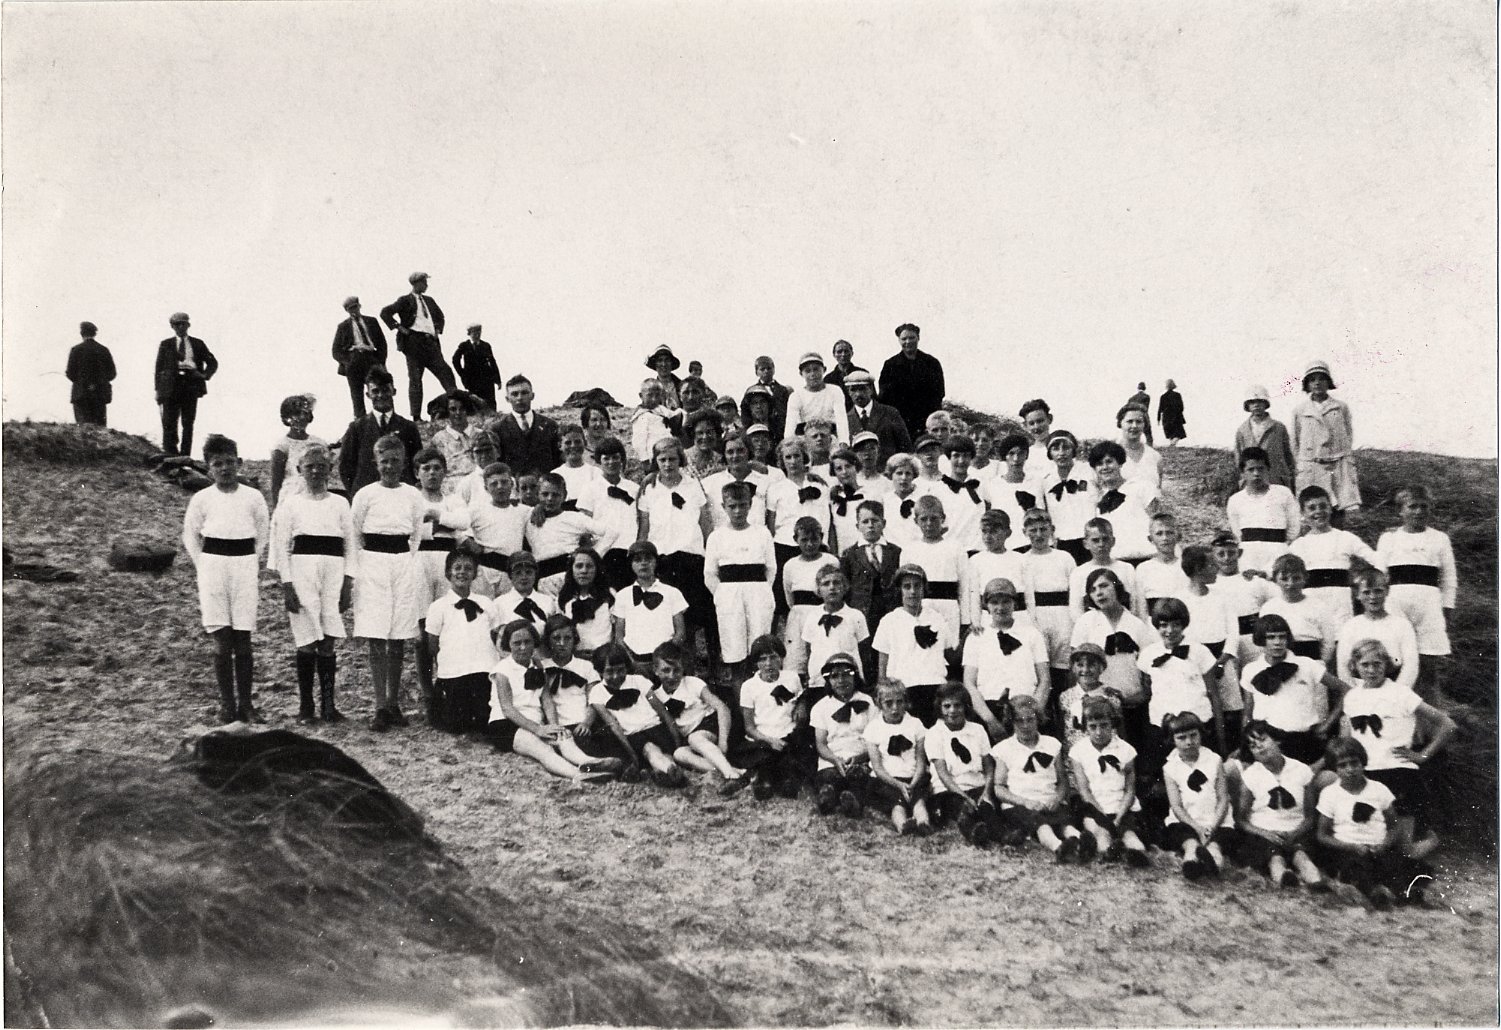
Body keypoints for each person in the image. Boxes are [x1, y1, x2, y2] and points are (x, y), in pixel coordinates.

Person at [1339, 638, 1456, 864]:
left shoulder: (1401, 693)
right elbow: (1347, 741)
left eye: (1377, 664)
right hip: (1365, 775)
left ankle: (1435, 839)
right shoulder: (1352, 697)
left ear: (1386, 664)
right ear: (1355, 666)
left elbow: (1447, 725)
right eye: (1365, 665)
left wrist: (1422, 755)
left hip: (1399, 774)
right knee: (1374, 847)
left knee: (1405, 853)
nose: (1371, 670)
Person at [183, 434, 269, 724]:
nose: (225, 468)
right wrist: (203, 565)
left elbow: (262, 532)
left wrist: (251, 560)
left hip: (244, 565)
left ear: (239, 462)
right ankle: (226, 705)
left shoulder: (253, 497)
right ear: (209, 468)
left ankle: (246, 704)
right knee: (221, 639)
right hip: (213, 567)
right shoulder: (202, 499)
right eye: (218, 464)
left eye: (230, 462)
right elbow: (190, 536)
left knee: (243, 637)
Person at [269, 442, 353, 723]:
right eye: (310, 466)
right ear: (299, 469)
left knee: (328, 639)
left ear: (330, 469)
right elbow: (282, 548)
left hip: (333, 572)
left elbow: (350, 546)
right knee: (306, 639)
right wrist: (287, 585)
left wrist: (347, 584)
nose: (316, 471)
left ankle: (329, 705)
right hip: (302, 571)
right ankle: (306, 707)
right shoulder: (291, 504)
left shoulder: (340, 503)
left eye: (321, 466)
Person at [350, 433, 427, 730]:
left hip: (402, 563)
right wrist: (365, 565)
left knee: (398, 636)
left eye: (395, 461)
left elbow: (416, 535)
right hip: (372, 564)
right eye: (384, 461)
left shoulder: (412, 495)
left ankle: (394, 703)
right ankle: (380, 705)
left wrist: (404, 560)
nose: (390, 466)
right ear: (376, 462)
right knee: (377, 636)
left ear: (404, 462)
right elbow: (355, 534)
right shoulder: (365, 495)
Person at [489, 621, 616, 783]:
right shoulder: (502, 670)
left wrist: (555, 726)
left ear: (535, 643)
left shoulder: (537, 666)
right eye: (517, 643)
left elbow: (547, 699)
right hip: (506, 725)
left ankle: (590, 762)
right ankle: (577, 775)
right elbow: (507, 709)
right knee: (541, 748)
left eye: (527, 642)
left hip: (534, 723)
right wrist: (538, 729)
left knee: (564, 738)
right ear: (508, 644)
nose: (523, 647)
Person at [989, 695, 1092, 863]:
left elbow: (1062, 781)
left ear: (1038, 719)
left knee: (1065, 824)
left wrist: (1057, 798)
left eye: (1030, 719)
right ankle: (1059, 847)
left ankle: (1081, 842)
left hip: (1048, 800)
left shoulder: (1051, 744)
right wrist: (1024, 802)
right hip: (1019, 805)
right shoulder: (1004, 749)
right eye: (1019, 721)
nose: (1025, 725)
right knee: (1041, 825)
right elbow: (999, 787)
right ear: (1011, 722)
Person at [1314, 737, 1413, 909]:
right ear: (1335, 769)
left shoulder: (1379, 789)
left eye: (1354, 763)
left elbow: (1395, 826)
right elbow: (1322, 835)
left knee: (1396, 866)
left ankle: (1395, 892)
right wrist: (1351, 846)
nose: (1350, 769)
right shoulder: (1330, 794)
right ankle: (1375, 894)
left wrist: (1384, 844)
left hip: (1378, 847)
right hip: (1348, 849)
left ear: (1363, 763)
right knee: (1355, 869)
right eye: (1342, 765)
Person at [1376, 485, 1458, 690]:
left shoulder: (1440, 538)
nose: (1419, 511)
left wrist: (1447, 609)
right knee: (1396, 662)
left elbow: (1449, 578)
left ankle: (1429, 709)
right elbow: (1379, 575)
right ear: (1400, 510)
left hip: (1429, 607)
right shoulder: (1389, 538)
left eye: (1424, 506)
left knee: (1428, 667)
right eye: (1412, 506)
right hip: (1396, 605)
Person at [1069, 568, 1159, 750]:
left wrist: (1139, 697)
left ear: (1117, 587)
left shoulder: (1136, 625)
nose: (1099, 593)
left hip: (1132, 705)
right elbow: (1075, 667)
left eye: (1104, 586)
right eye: (1093, 590)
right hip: (1097, 708)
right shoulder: (1085, 623)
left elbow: (1150, 670)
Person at [1229, 721, 1326, 890]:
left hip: (1297, 831)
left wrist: (1295, 833)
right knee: (1274, 858)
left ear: (1277, 740)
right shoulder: (1251, 776)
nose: (1259, 747)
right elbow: (1241, 820)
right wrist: (1266, 833)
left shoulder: (1301, 770)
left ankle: (1315, 881)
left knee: (1301, 856)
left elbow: (1310, 817)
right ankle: (1284, 878)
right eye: (1253, 745)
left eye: (1262, 740)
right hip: (1264, 833)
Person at [1241, 614, 1346, 766]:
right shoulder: (1250, 669)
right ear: (1261, 639)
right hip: (1265, 742)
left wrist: (1328, 724)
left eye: (1282, 637)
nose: (1277, 642)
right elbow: (1248, 713)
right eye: (1271, 637)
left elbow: (1345, 690)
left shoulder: (1307, 665)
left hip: (1301, 742)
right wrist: (1245, 743)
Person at [703, 480, 777, 685]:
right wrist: (722, 595)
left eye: (742, 505)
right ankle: (740, 702)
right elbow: (710, 574)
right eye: (732, 506)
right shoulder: (717, 536)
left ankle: (761, 695)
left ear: (750, 504)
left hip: (757, 593)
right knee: (734, 650)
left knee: (759, 646)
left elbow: (771, 568)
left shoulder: (762, 533)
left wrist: (762, 590)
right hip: (729, 596)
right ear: (723, 507)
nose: (737, 511)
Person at [650, 642, 747, 793]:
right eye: (666, 670)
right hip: (693, 739)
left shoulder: (692, 683)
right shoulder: (656, 696)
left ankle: (731, 775)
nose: (672, 676)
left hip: (711, 725)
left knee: (695, 738)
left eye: (677, 670)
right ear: (655, 670)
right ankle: (735, 771)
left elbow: (721, 708)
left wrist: (723, 741)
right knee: (679, 754)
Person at [961, 577, 1049, 741]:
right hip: (989, 709)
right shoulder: (976, 638)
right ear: (986, 605)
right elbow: (969, 683)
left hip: (1026, 709)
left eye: (1006, 601)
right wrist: (990, 720)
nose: (1000, 607)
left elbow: (1044, 680)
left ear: (1015, 603)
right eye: (994, 602)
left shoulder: (1031, 634)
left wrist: (1032, 714)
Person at [1068, 697, 1151, 866]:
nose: (1099, 732)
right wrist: (1102, 815)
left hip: (1121, 807)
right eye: (1093, 726)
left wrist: (1119, 817)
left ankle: (1132, 853)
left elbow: (1129, 790)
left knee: (1132, 839)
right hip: (1094, 807)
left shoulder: (1126, 750)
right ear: (1085, 727)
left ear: (1112, 724)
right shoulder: (1078, 751)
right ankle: (1112, 851)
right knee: (1101, 836)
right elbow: (1084, 790)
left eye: (1104, 725)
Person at [423, 549, 498, 733]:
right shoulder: (438, 607)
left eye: (468, 568)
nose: (462, 572)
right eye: (457, 568)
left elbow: (496, 636)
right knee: (456, 725)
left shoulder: (486, 603)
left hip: (483, 672)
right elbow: (432, 645)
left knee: (485, 722)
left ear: (475, 573)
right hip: (454, 674)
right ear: (448, 573)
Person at [872, 564, 956, 726]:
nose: (912, 591)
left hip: (935, 686)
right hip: (904, 690)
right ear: (900, 590)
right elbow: (882, 668)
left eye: (917, 586)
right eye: (907, 586)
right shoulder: (889, 621)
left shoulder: (936, 617)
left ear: (924, 588)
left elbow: (951, 656)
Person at [925, 683, 1006, 847]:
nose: (952, 710)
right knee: (961, 807)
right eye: (947, 706)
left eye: (958, 705)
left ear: (966, 707)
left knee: (986, 807)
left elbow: (988, 765)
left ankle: (1003, 835)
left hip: (977, 786)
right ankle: (974, 832)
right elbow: (943, 774)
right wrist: (964, 796)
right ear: (940, 708)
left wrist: (987, 791)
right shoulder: (934, 733)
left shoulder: (978, 730)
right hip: (949, 790)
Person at [1288, 485, 1381, 627]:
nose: (1318, 511)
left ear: (1330, 508)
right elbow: (1277, 569)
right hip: (1311, 604)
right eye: (1312, 508)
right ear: (1302, 513)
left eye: (1323, 506)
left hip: (1340, 606)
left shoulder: (1345, 538)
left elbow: (1374, 558)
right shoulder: (1298, 545)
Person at [739, 634, 815, 800]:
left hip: (788, 734)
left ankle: (785, 780)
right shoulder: (749, 686)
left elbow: (800, 697)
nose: (768, 664)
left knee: (797, 753)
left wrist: (801, 704)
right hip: (763, 738)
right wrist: (770, 740)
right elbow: (749, 727)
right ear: (756, 662)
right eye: (762, 659)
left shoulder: (791, 677)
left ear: (781, 658)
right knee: (764, 756)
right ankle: (764, 781)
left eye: (773, 657)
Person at [1160, 713, 1232, 880]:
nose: (1189, 742)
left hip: (1216, 820)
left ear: (1201, 734)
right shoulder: (1170, 768)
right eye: (1181, 738)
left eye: (1193, 735)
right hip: (1187, 821)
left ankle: (1213, 863)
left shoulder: (1214, 760)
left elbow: (1223, 798)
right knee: (1190, 842)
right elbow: (1176, 806)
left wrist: (1212, 827)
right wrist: (1197, 828)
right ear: (1172, 740)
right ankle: (1191, 863)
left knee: (1215, 846)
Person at [379, 272, 457, 422]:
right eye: (424, 282)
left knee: (445, 372)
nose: (426, 285)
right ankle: (416, 416)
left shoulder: (429, 300)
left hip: (430, 343)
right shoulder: (404, 300)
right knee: (415, 379)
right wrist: (400, 328)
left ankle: (456, 406)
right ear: (416, 284)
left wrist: (437, 330)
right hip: (413, 343)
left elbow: (440, 316)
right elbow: (385, 313)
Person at [808, 653, 876, 818]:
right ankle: (828, 797)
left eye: (846, 674)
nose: (841, 680)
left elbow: (875, 738)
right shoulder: (821, 707)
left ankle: (852, 802)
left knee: (860, 778)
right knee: (829, 776)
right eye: (835, 676)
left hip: (861, 757)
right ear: (828, 680)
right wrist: (835, 760)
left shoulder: (867, 701)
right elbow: (821, 744)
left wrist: (861, 757)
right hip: (833, 758)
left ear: (855, 676)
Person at [863, 677, 933, 834]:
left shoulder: (915, 724)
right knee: (897, 804)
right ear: (879, 703)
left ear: (905, 702)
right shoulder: (873, 728)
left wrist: (913, 783)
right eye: (889, 703)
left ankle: (923, 823)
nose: (895, 708)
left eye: (899, 702)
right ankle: (903, 826)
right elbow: (878, 768)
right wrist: (899, 785)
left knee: (919, 802)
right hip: (888, 780)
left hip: (914, 777)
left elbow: (921, 761)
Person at [1292, 359, 1361, 520]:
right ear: (1307, 384)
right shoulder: (1300, 411)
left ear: (1328, 382)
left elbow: (1347, 435)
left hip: (1337, 465)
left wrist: (1342, 457)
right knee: (1313, 507)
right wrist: (1302, 464)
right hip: (1312, 466)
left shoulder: (1340, 407)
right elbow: (1295, 441)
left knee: (1337, 508)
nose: (1317, 383)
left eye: (1321, 379)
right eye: (1312, 380)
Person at [338, 367, 423, 493]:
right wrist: (357, 492)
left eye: (385, 390)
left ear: (393, 391)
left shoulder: (408, 427)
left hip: (401, 493)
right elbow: (345, 466)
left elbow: (417, 462)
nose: (381, 395)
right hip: (368, 494)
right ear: (368, 395)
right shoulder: (356, 428)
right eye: (375, 391)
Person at [1334, 570, 1419, 691]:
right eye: (1366, 592)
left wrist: (1397, 694)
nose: (1373, 597)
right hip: (1359, 690)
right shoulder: (1351, 626)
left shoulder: (1402, 625)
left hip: (1394, 688)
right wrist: (1355, 694)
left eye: (1378, 591)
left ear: (1387, 591)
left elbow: (1411, 666)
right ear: (1357, 594)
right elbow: (1343, 667)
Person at [611, 541, 688, 667]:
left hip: (665, 661)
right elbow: (619, 637)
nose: (643, 563)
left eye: (648, 558)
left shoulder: (672, 592)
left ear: (656, 562)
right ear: (631, 564)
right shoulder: (622, 595)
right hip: (635, 662)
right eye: (637, 560)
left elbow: (680, 633)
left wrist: (665, 657)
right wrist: (631, 661)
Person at [1226, 446, 1302, 575]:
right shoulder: (1235, 500)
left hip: (1278, 552)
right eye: (1251, 469)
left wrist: (1282, 548)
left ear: (1268, 470)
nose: (1256, 473)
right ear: (1243, 473)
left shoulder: (1283, 493)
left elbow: (1294, 526)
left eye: (1260, 469)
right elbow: (1237, 532)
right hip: (1249, 555)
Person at [155, 311, 218, 457]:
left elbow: (212, 362)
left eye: (183, 324)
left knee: (188, 422)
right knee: (169, 421)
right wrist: (158, 390)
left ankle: (185, 455)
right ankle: (170, 453)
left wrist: (204, 375)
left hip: (191, 385)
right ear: (172, 326)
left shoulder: (198, 344)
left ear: (188, 325)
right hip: (170, 386)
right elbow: (158, 368)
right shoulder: (166, 344)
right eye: (177, 324)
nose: (180, 327)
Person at [1087, 444, 1156, 564]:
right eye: (1099, 464)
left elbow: (1158, 521)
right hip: (1116, 562)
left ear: (1120, 463)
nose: (1105, 467)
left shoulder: (1141, 487)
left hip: (1147, 559)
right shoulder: (1098, 497)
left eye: (1109, 462)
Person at [878, 323, 945, 440]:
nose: (908, 342)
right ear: (899, 340)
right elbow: (885, 397)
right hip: (900, 422)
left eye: (911, 338)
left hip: (926, 422)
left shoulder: (932, 363)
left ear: (918, 338)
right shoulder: (890, 365)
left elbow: (939, 393)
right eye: (904, 339)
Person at [1040, 430, 1095, 565]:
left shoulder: (1089, 472)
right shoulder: (1045, 480)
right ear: (1049, 453)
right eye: (1055, 449)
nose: (1061, 453)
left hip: (1089, 539)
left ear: (1073, 450)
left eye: (1066, 447)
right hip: (1062, 542)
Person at [493, 374, 562, 478]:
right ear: (507, 399)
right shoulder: (498, 429)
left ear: (532, 396)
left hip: (544, 484)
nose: (520, 398)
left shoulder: (550, 425)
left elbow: (558, 460)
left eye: (524, 393)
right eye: (514, 394)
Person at [330, 296, 389, 418]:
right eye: (350, 309)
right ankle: (360, 423)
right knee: (357, 395)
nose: (354, 310)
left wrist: (380, 361)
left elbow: (382, 343)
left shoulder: (371, 321)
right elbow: (335, 351)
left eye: (355, 307)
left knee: (379, 389)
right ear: (347, 310)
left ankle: (385, 418)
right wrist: (348, 361)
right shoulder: (343, 326)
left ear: (359, 306)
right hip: (354, 361)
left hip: (371, 358)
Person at [842, 370, 910, 466]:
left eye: (862, 389)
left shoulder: (890, 413)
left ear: (871, 389)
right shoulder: (844, 420)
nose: (858, 394)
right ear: (848, 392)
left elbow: (905, 447)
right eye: (853, 390)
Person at [269, 394, 326, 508]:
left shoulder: (319, 443)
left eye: (305, 413)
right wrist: (277, 509)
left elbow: (324, 476)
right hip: (291, 498)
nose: (301, 417)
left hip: (315, 497)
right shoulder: (282, 446)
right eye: (296, 414)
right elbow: (276, 483)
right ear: (287, 418)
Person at [1235, 385, 1295, 489]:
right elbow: (1239, 458)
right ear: (1247, 406)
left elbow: (1288, 455)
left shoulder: (1278, 427)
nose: (1256, 405)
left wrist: (1288, 476)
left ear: (1266, 403)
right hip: (1252, 480)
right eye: (1252, 402)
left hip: (1275, 479)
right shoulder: (1242, 430)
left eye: (1260, 401)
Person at [785, 352, 850, 443]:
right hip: (806, 439)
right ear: (801, 373)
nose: (812, 374)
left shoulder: (835, 391)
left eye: (816, 369)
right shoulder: (796, 396)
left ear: (824, 370)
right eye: (807, 371)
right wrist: (788, 444)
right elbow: (790, 425)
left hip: (830, 438)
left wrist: (844, 442)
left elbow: (841, 419)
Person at [66, 321, 116, 426]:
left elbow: (70, 373)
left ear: (81, 333)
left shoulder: (76, 350)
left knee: (83, 428)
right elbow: (112, 373)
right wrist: (97, 384)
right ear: (94, 333)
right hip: (99, 395)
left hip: (81, 395)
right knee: (100, 428)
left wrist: (83, 383)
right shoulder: (103, 350)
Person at [740, 356, 791, 442]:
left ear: (774, 369)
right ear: (756, 372)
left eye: (769, 368)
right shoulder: (751, 391)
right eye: (762, 369)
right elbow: (745, 411)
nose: (766, 371)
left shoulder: (783, 390)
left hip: (780, 428)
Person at [452, 323, 502, 411]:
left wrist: (498, 380)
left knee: (490, 403)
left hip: (487, 379)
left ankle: (492, 416)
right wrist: (463, 374)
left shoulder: (486, 346)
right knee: (474, 402)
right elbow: (455, 360)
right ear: (469, 333)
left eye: (479, 332)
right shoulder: (464, 346)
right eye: (474, 333)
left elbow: (492, 362)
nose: (477, 335)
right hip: (472, 380)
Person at [1115, 404, 1161, 489]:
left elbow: (1158, 490)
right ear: (1120, 423)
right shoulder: (1109, 454)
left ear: (1145, 425)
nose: (1134, 426)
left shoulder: (1155, 456)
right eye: (1129, 421)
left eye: (1139, 422)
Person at [646, 343, 684, 410]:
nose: (663, 364)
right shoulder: (651, 389)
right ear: (655, 364)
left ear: (671, 363)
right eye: (660, 360)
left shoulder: (682, 386)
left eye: (667, 360)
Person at [1157, 378, 1186, 445]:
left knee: (1170, 435)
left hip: (1166, 418)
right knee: (1178, 434)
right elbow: (1181, 407)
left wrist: (1158, 419)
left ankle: (1172, 446)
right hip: (1176, 418)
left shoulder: (1163, 396)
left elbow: (1160, 409)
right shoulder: (1177, 395)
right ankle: (1172, 446)